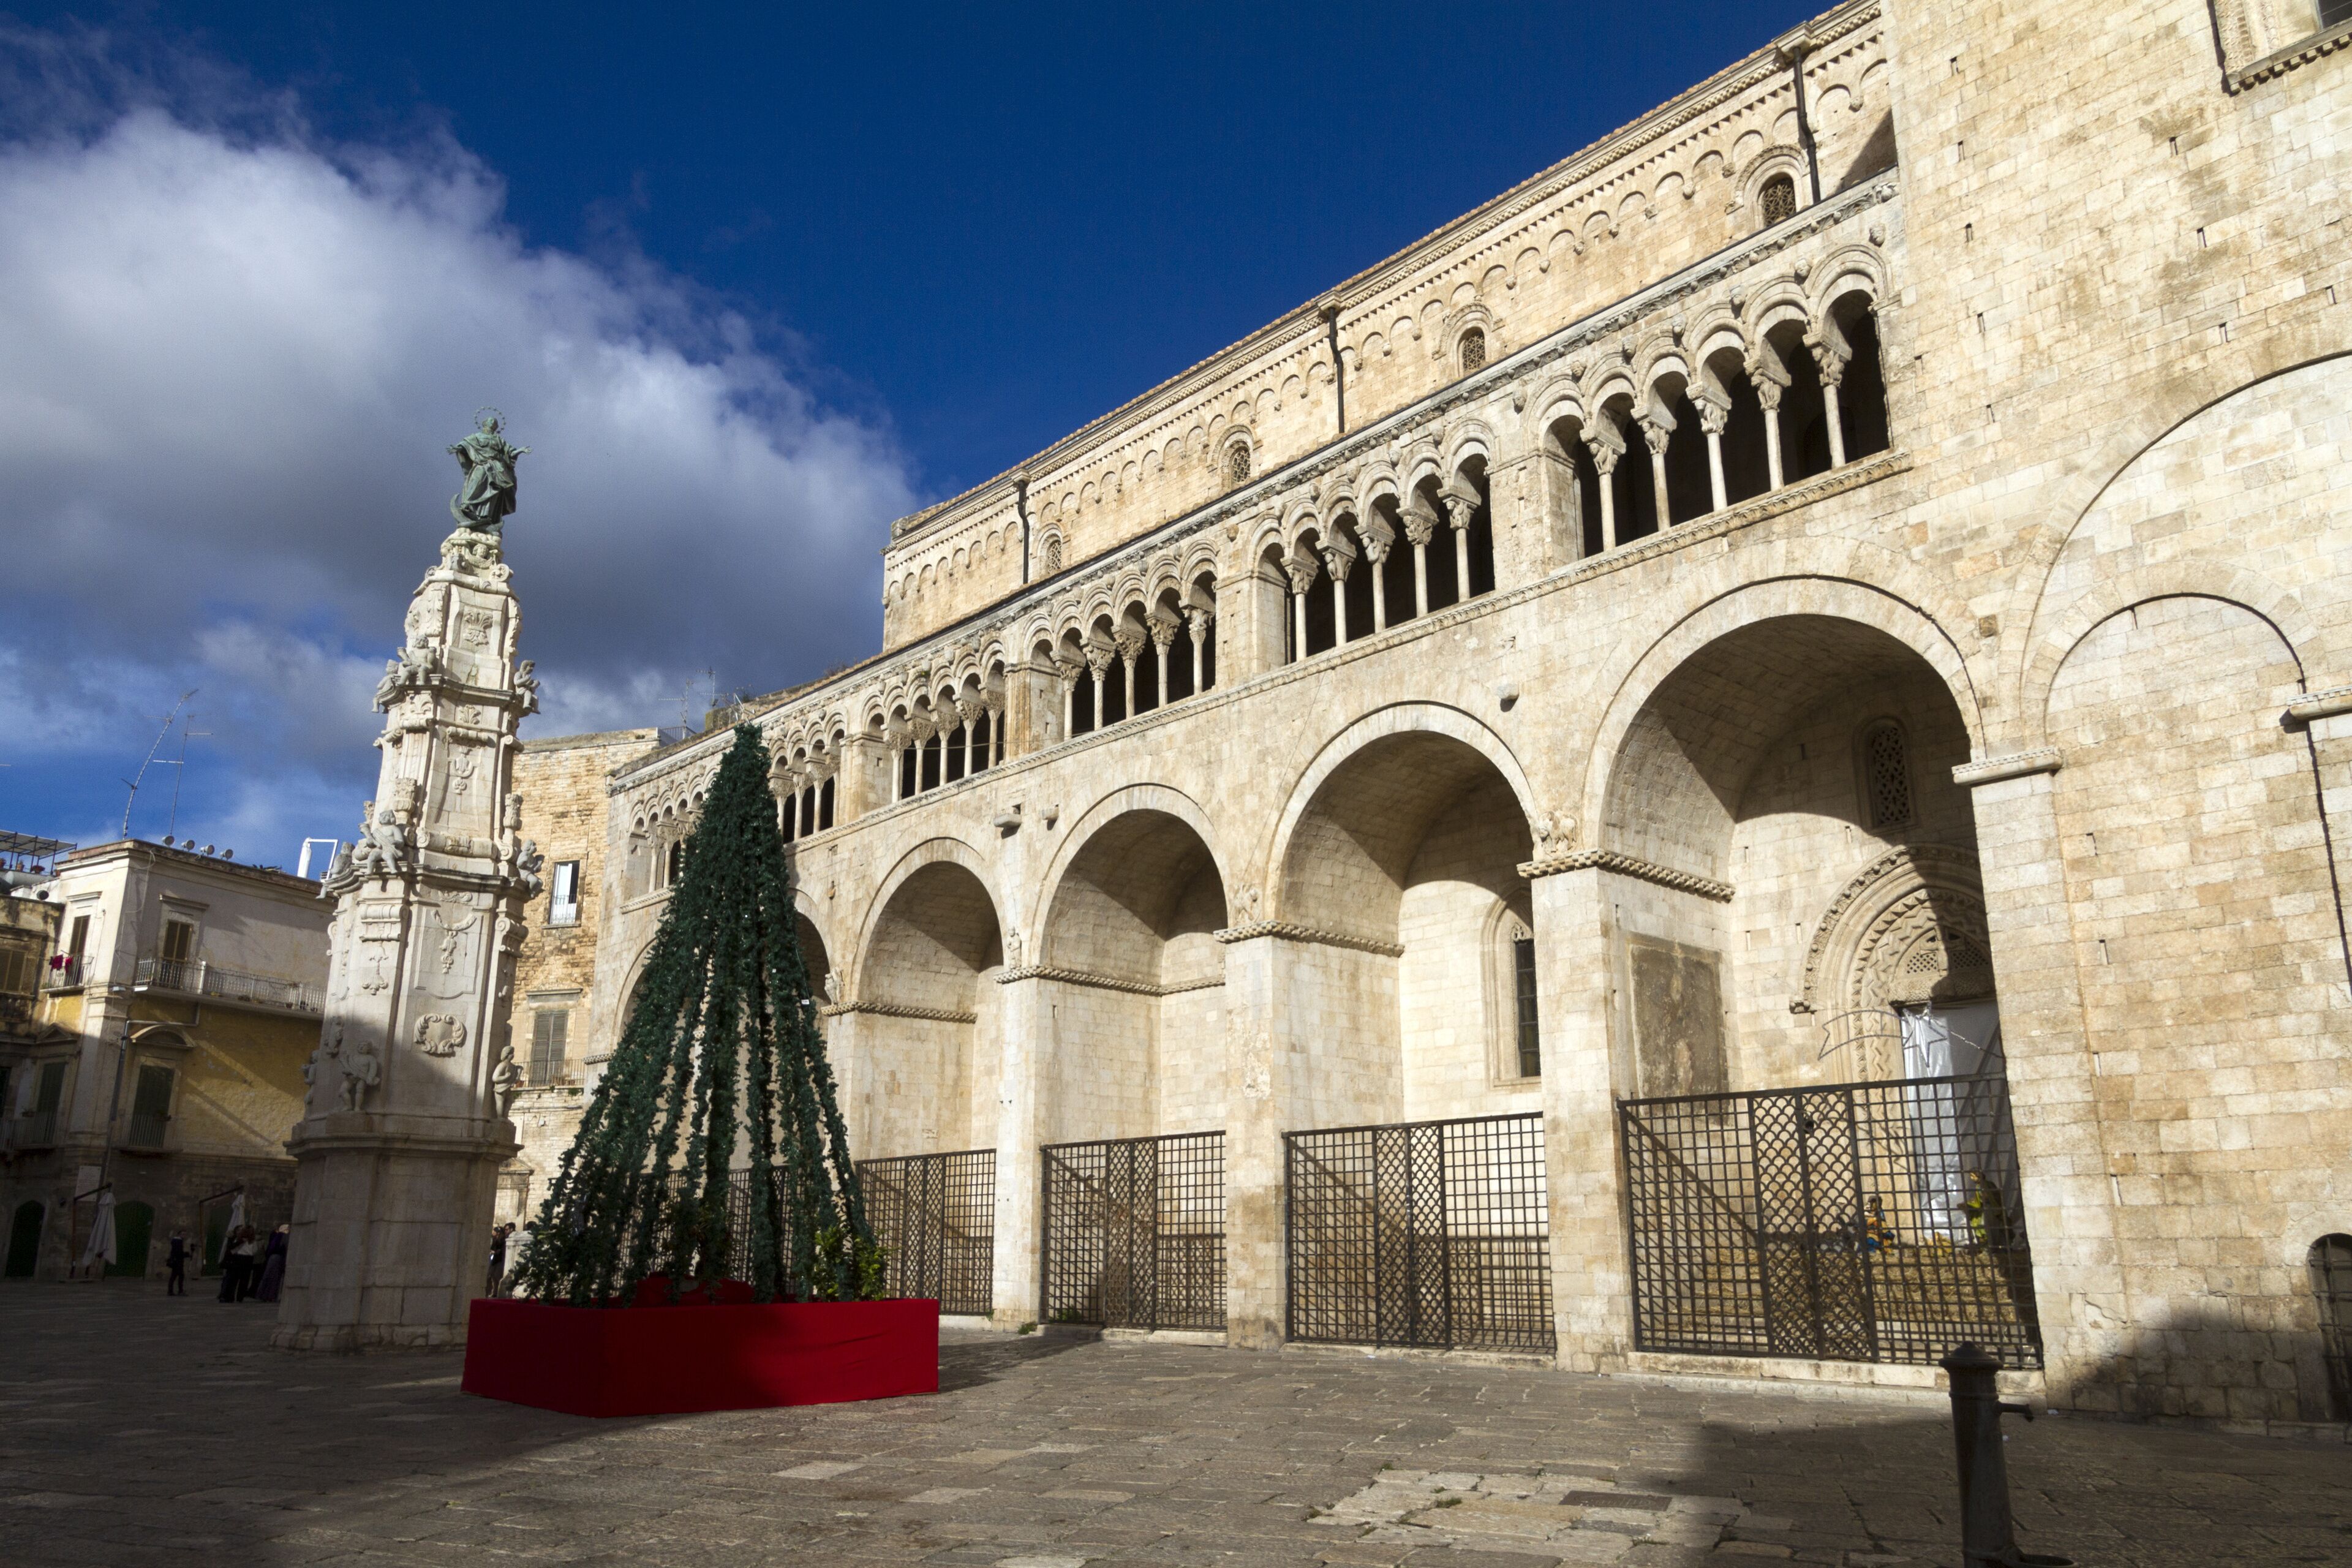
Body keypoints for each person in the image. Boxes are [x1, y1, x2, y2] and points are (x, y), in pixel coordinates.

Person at [256, 1224, 289, 1303]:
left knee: (270, 1277)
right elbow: (281, 1247)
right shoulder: (281, 1236)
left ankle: (266, 1295)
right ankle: (269, 1295)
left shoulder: (277, 1236)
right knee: (273, 1278)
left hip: (274, 1257)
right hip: (277, 1258)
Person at [486, 1223, 511, 1297]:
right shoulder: (494, 1239)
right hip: (494, 1260)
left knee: (497, 1276)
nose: (493, 1232)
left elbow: (502, 1250)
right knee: (491, 1275)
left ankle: (497, 1292)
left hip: (499, 1260)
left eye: (495, 1231)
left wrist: (495, 1252)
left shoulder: (503, 1240)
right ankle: (493, 1292)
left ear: (498, 1233)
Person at [165, 1229, 190, 1296]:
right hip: (178, 1262)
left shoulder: (175, 1241)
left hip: (176, 1261)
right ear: (179, 1235)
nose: (184, 1236)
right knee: (181, 1276)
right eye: (183, 1234)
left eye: (185, 1234)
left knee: (174, 1276)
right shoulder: (178, 1241)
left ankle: (171, 1291)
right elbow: (178, 1252)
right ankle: (180, 1291)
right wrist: (186, 1255)